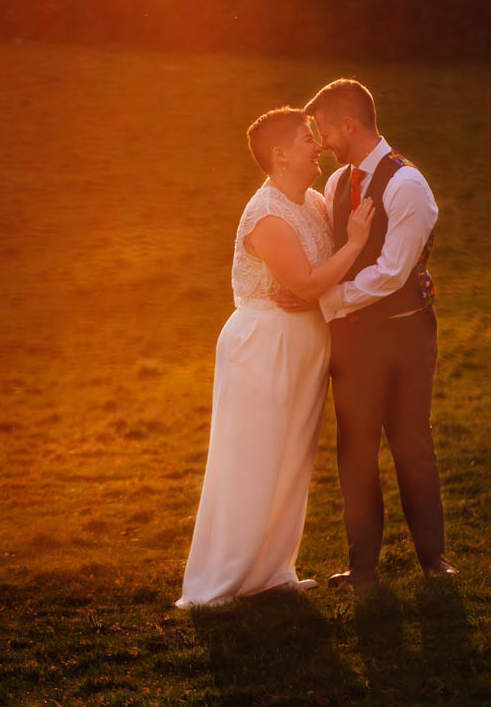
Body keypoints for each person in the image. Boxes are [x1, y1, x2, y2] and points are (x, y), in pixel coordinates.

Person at [176, 106, 374, 608]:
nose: (318, 146)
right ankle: (217, 584)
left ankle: (270, 572)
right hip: (263, 345)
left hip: (306, 342)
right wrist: (355, 244)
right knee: (250, 458)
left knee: (291, 458)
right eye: (308, 139)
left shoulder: (308, 200)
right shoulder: (266, 214)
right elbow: (307, 280)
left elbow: (311, 287)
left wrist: (318, 291)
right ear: (280, 156)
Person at [303, 78, 455, 587]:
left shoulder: (406, 184)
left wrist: (327, 300)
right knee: (355, 450)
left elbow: (393, 271)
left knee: (411, 444)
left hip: (405, 337)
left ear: (349, 124)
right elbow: (332, 256)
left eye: (325, 130)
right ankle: (362, 567)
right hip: (352, 343)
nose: (321, 142)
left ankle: (434, 561)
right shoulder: (337, 184)